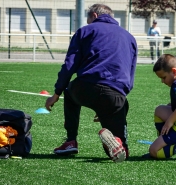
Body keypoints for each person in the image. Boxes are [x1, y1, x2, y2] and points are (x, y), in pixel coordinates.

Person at [45, 4, 137, 163]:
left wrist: (56, 93)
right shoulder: (129, 37)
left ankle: (71, 141)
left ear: (94, 15)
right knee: (118, 146)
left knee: (69, 91)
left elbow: (69, 65)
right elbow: (130, 72)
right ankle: (121, 143)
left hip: (86, 88)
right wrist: (115, 97)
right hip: (117, 96)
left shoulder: (86, 31)